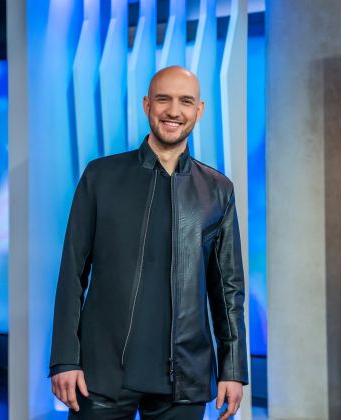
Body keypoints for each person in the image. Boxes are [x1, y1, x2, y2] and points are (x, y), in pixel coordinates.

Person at [49, 66, 248, 420]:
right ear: (147, 105)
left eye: (185, 101)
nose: (174, 111)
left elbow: (228, 289)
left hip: (184, 378)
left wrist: (232, 368)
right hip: (101, 374)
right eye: (163, 99)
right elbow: (72, 273)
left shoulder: (218, 190)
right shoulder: (101, 176)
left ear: (199, 109)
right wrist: (65, 359)